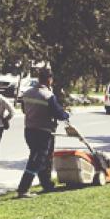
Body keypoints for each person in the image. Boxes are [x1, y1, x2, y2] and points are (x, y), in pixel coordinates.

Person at [15, 68, 70, 198]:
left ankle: (47, 184)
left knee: (43, 158)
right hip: (43, 132)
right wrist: (66, 114)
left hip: (29, 130)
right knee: (37, 160)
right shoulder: (48, 95)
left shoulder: (27, 93)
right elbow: (59, 114)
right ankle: (23, 189)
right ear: (49, 80)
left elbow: (24, 109)